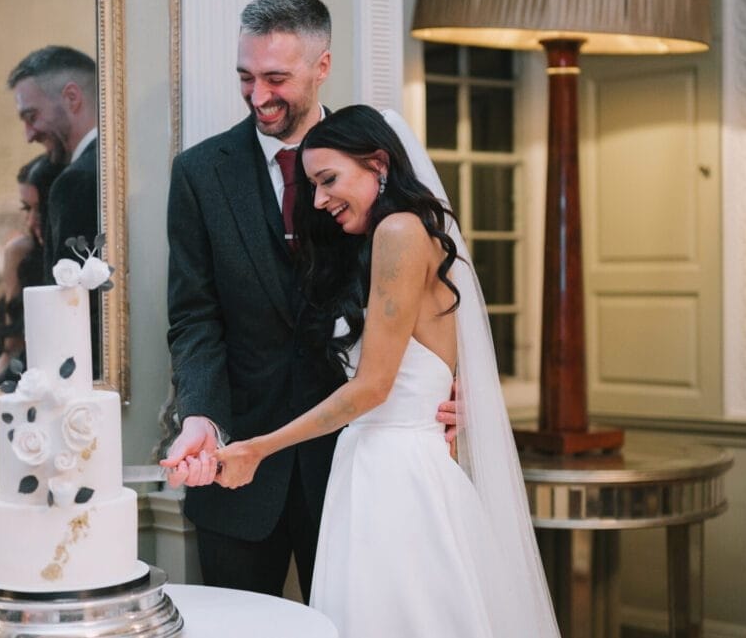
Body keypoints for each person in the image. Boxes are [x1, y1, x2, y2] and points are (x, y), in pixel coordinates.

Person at [214, 105, 560, 637]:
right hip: (372, 466)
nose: (320, 199)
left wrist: (258, 447)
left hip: (399, 476)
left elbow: (373, 387)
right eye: (312, 186)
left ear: (378, 164)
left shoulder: (399, 231)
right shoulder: (390, 238)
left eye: (329, 180)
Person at [161, 0, 456, 600]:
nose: (258, 95)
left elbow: (443, 293)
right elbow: (195, 318)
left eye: (276, 77)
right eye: (246, 76)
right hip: (238, 467)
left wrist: (457, 388)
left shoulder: (377, 164)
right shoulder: (198, 174)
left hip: (360, 467)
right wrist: (201, 417)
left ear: (322, 67)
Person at [7, 45, 100, 376]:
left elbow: (64, 318)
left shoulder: (74, 182)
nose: (29, 135)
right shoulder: (111, 166)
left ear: (72, 98)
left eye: (32, 117)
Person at [0, 155, 61, 385]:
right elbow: (11, 349)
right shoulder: (20, 253)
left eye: (40, 209)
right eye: (26, 208)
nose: (30, 221)